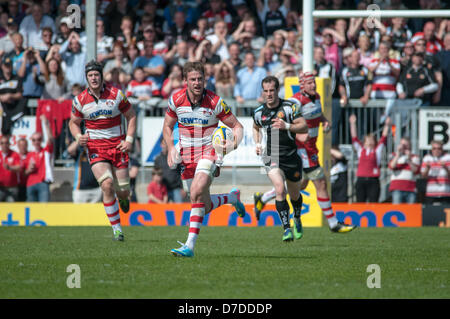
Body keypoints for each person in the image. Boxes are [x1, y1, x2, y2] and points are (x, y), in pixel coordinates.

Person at [254, 72, 356, 233]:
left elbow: (317, 114)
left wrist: (324, 121)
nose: (313, 85)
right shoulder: (295, 101)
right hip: (301, 150)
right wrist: (297, 134)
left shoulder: (316, 97)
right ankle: (333, 223)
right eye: (309, 83)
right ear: (302, 85)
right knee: (320, 183)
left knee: (299, 185)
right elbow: (285, 119)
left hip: (311, 147)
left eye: (314, 82)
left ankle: (264, 197)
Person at [163, 61, 245, 257]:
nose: (197, 83)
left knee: (197, 190)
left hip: (209, 152)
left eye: (200, 79)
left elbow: (237, 126)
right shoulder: (176, 100)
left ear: (205, 80)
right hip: (186, 156)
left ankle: (189, 246)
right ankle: (231, 198)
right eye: (193, 79)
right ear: (185, 81)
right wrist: (170, 148)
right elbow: (167, 126)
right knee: (200, 201)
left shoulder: (215, 102)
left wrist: (232, 145)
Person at [69, 60, 137, 241]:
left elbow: (131, 116)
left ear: (101, 77)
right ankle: (117, 230)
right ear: (87, 78)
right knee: (106, 185)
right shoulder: (80, 100)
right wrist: (78, 137)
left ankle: (123, 197)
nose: (94, 78)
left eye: (96, 75)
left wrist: (129, 140)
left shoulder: (116, 95)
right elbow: (73, 123)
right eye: (90, 76)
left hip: (118, 147)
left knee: (122, 190)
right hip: (96, 148)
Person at [252, 75, 308, 241]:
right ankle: (286, 229)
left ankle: (296, 217)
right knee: (279, 188)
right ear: (262, 92)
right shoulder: (259, 112)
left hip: (291, 156)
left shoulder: (289, 107)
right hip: (271, 155)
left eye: (272, 90)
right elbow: (255, 128)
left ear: (277, 90)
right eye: (266, 91)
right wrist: (257, 143)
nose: (269, 94)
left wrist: (287, 126)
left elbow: (303, 126)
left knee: (295, 195)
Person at [349, 114, 391, 203]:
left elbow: (383, 138)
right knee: (360, 202)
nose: (370, 142)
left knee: (373, 202)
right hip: (361, 180)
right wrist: (352, 124)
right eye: (368, 140)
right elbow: (354, 138)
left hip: (373, 180)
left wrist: (387, 125)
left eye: (372, 139)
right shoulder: (361, 150)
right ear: (364, 142)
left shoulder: (377, 151)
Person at [24, 115, 54, 202]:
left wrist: (46, 124)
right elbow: (25, 173)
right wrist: (29, 169)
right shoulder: (29, 154)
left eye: (39, 139)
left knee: (43, 209)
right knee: (31, 210)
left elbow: (50, 139)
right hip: (30, 183)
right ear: (32, 141)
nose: (36, 142)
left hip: (43, 183)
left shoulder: (46, 151)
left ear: (41, 140)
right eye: (34, 140)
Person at [388, 137, 421, 204]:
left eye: (406, 145)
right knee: (397, 211)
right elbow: (392, 166)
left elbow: (416, 170)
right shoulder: (394, 155)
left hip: (410, 189)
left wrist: (409, 159)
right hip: (397, 188)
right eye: (402, 145)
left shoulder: (415, 157)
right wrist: (398, 154)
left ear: (410, 146)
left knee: (410, 212)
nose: (404, 147)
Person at [0, 57, 26, 135]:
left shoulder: (17, 78)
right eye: (6, 65)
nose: (7, 68)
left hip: (14, 108)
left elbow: (20, 94)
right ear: (2, 66)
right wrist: (1, 97)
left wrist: (10, 96)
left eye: (9, 65)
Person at [154, 138, 185, 203]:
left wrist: (183, 188)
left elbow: (182, 173)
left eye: (166, 143)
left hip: (176, 188)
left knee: (178, 209)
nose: (165, 145)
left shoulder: (175, 157)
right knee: (162, 210)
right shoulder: (158, 159)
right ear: (160, 145)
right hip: (163, 190)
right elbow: (155, 174)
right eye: (163, 143)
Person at [420, 140, 450, 205]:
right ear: (431, 149)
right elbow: (423, 177)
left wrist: (446, 167)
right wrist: (427, 168)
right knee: (430, 214)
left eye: (439, 148)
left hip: (445, 192)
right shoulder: (427, 158)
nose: (437, 150)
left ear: (442, 149)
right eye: (434, 148)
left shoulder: (448, 157)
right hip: (431, 192)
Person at [0, 135, 21, 202]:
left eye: (6, 143)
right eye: (2, 143)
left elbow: (19, 167)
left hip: (12, 187)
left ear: (9, 144)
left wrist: (10, 167)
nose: (4, 145)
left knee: (11, 207)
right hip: (1, 187)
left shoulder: (14, 154)